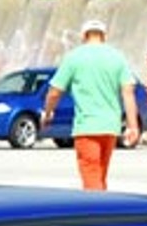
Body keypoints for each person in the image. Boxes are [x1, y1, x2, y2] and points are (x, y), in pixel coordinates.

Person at [41, 18, 140, 190]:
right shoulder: (117, 57)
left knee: (91, 177)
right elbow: (128, 93)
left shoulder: (74, 58)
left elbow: (55, 92)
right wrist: (133, 126)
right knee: (100, 175)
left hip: (86, 126)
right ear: (104, 36)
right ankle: (104, 210)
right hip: (110, 127)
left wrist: (48, 112)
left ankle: (97, 213)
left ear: (83, 36)